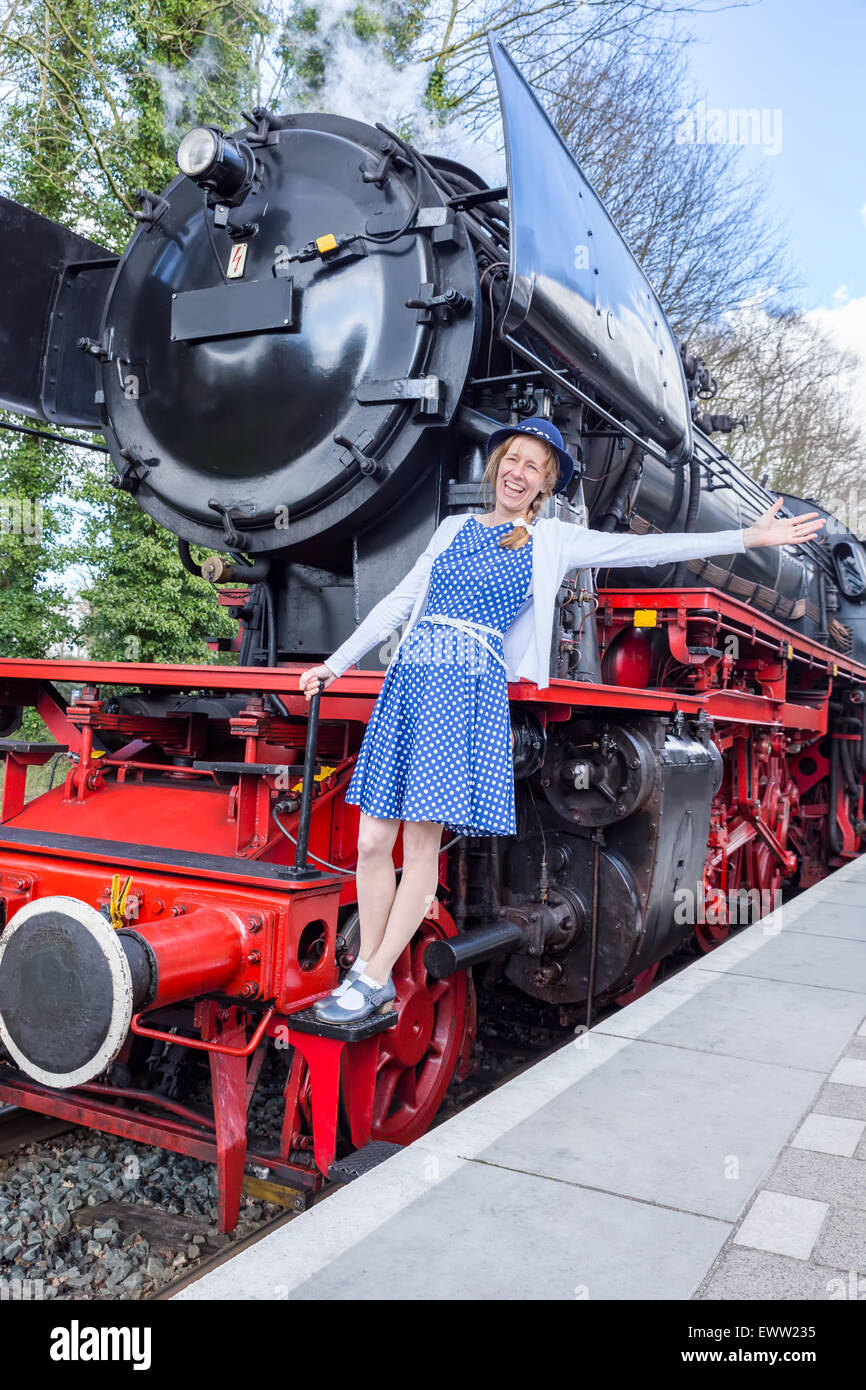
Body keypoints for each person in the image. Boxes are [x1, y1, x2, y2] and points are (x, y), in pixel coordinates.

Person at [298, 417, 826, 1022]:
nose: (518, 474)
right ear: (496, 467)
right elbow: (399, 602)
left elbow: (646, 549)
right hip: (409, 683)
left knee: (420, 845)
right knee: (372, 842)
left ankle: (373, 976)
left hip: (464, 690)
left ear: (545, 484)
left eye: (534, 468)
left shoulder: (552, 541)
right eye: (512, 460)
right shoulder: (452, 530)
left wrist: (745, 539)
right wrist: (334, 666)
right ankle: (369, 966)